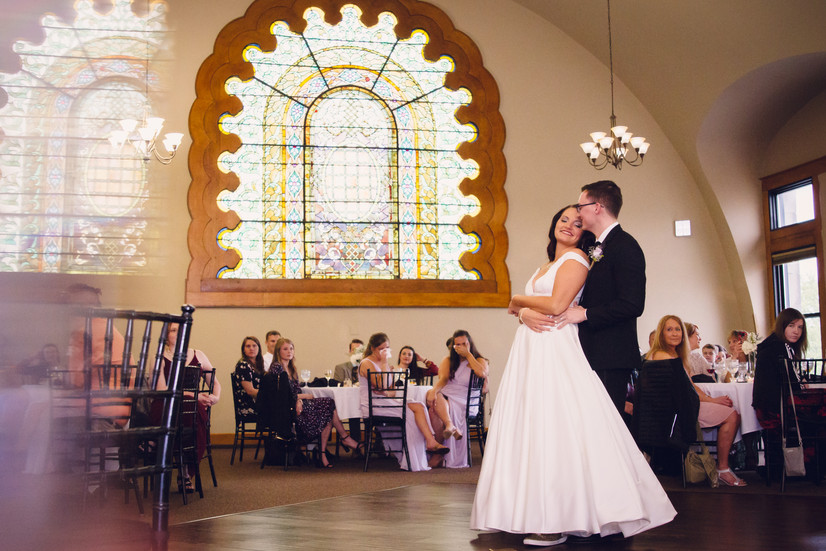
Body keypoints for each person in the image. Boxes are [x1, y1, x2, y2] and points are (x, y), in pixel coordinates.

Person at [471, 205, 675, 547]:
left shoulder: (577, 261)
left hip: (555, 347)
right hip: (530, 349)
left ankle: (558, 518)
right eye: (564, 219)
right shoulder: (546, 265)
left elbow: (554, 305)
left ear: (585, 234)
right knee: (527, 428)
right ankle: (513, 511)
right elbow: (529, 308)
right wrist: (522, 313)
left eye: (578, 223)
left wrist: (516, 301)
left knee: (556, 428)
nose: (569, 225)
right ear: (554, 225)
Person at [552, 181, 646, 416]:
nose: (578, 212)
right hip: (594, 352)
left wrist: (584, 313)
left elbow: (633, 303)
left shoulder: (625, 245)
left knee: (604, 424)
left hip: (610, 355)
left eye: (580, 206)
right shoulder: (600, 245)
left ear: (597, 207)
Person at [647, 314, 746, 487]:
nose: (675, 333)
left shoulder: (673, 355)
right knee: (732, 415)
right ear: (662, 333)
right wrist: (712, 401)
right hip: (674, 412)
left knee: (731, 411)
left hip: (680, 406)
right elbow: (687, 389)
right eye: (669, 329)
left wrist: (710, 399)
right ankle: (723, 468)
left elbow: (690, 386)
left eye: (678, 329)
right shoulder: (664, 356)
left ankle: (723, 466)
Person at [358, 332, 448, 471]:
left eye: (387, 348)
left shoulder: (385, 364)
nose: (385, 351)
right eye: (382, 349)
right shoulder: (366, 363)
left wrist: (385, 390)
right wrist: (384, 364)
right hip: (374, 406)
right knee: (412, 413)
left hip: (385, 400)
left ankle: (429, 442)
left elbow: (390, 390)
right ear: (373, 348)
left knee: (419, 406)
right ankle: (427, 445)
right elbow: (381, 385)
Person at [269, 338, 359, 468]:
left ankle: (329, 450)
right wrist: (303, 397)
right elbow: (282, 394)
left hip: (295, 404)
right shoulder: (277, 367)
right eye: (285, 349)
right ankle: (342, 441)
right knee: (328, 407)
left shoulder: (291, 368)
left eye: (291, 349)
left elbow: (294, 391)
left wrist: (299, 399)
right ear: (278, 351)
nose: (289, 352)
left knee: (328, 406)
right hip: (286, 410)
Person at [159, 324, 221, 493]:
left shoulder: (198, 354)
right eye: (173, 330)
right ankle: (173, 466)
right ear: (166, 335)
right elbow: (161, 389)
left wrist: (215, 396)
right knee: (188, 411)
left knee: (194, 414)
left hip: (192, 405)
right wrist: (194, 396)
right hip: (166, 404)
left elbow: (214, 382)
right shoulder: (159, 355)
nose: (178, 333)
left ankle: (185, 472)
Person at [426, 330, 488, 468]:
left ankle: (438, 453)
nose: (461, 347)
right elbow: (443, 379)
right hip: (448, 394)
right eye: (457, 345)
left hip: (467, 398)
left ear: (469, 343)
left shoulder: (479, 360)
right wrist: (434, 390)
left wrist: (468, 355)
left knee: (435, 410)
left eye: (464, 344)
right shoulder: (448, 360)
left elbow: (482, 373)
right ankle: (449, 426)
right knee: (435, 399)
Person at [233, 336, 266, 418]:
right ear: (243, 349)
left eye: (254, 346)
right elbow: (250, 391)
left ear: (259, 348)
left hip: (259, 401)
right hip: (248, 405)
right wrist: (269, 394)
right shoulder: (243, 365)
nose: (251, 348)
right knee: (280, 407)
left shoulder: (258, 365)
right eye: (248, 346)